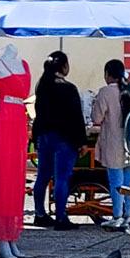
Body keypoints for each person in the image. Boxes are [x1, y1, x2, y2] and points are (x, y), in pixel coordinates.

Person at [32, 50, 87, 226]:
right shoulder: (68, 88)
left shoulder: (42, 86)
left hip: (44, 136)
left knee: (42, 176)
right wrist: (82, 141)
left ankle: (39, 213)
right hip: (64, 138)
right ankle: (61, 216)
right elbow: (76, 117)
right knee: (62, 177)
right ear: (64, 66)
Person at [90, 58, 130, 229]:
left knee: (115, 181)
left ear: (108, 74)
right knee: (129, 181)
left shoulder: (105, 92)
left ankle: (117, 215)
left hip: (113, 142)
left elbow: (96, 118)